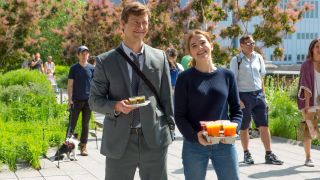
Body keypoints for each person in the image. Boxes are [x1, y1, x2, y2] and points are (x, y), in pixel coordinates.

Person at [88, 2, 174, 180]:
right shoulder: (105, 61)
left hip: (154, 140)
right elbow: (94, 100)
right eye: (135, 22)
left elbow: (166, 98)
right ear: (122, 24)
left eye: (145, 22)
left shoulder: (160, 57)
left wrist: (170, 131)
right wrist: (116, 106)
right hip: (120, 142)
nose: (141, 27)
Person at [174, 29, 242, 180]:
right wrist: (194, 136)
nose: (199, 48)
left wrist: (233, 129)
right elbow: (179, 115)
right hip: (194, 146)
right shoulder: (184, 78)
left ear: (211, 45)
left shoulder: (227, 75)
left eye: (203, 43)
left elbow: (237, 111)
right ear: (190, 52)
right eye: (194, 46)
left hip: (225, 143)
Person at [229, 35, 283, 165]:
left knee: (264, 125)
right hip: (244, 96)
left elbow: (261, 77)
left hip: (259, 96)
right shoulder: (236, 60)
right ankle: (247, 154)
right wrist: (238, 100)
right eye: (248, 43)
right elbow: (232, 82)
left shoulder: (258, 57)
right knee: (245, 126)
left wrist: (263, 95)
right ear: (241, 45)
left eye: (253, 42)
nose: (251, 45)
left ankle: (269, 154)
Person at [67, 45, 94, 156]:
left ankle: (83, 146)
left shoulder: (92, 68)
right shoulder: (74, 68)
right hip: (76, 101)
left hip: (88, 101)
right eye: (82, 53)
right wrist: (69, 99)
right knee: (71, 124)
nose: (84, 55)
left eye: (86, 53)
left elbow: (96, 85)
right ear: (78, 55)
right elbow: (70, 85)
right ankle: (68, 146)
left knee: (85, 125)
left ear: (88, 55)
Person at [297, 38, 320, 167]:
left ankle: (314, 133)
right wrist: (306, 105)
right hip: (309, 100)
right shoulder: (306, 64)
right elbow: (305, 85)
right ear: (312, 49)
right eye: (317, 46)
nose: (319, 49)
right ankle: (308, 158)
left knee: (314, 130)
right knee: (308, 128)